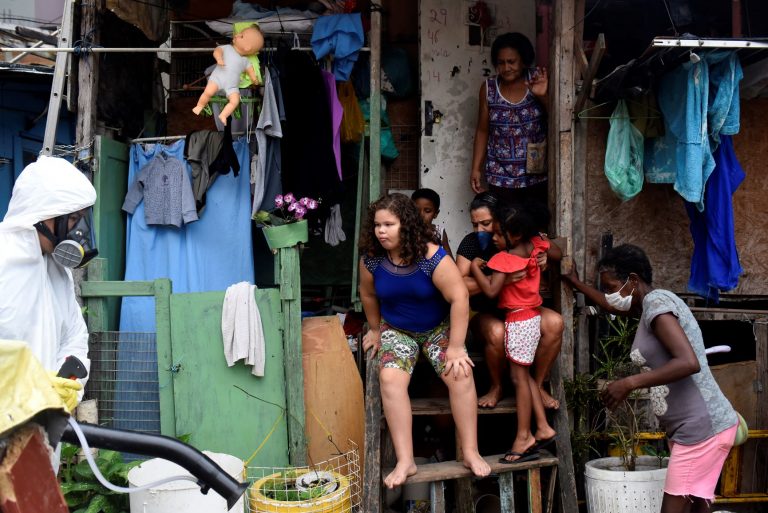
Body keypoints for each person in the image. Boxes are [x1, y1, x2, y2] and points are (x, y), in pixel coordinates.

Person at [562, 244, 739, 513]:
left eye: (612, 287)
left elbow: (688, 362)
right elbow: (612, 305)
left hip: (701, 430)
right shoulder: (646, 307)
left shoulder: (657, 303)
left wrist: (628, 383)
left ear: (633, 280)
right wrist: (575, 283)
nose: (610, 294)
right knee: (696, 509)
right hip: (696, 428)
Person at [358, 193, 491, 488]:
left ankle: (470, 452)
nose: (381, 231)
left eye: (389, 225)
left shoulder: (432, 257)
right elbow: (367, 294)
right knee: (390, 379)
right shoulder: (371, 260)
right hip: (397, 329)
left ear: (406, 225)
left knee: (461, 374)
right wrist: (375, 329)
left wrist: (455, 347)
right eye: (378, 225)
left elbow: (460, 297)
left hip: (437, 328)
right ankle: (406, 460)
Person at [0, 156, 98, 412]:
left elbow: (74, 337)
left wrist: (66, 384)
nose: (79, 232)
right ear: (42, 217)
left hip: (43, 420)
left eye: (82, 219)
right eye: (73, 219)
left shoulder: (57, 270)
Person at [455, 192, 563, 410]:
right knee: (497, 332)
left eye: (486, 223)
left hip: (522, 310)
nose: (480, 231)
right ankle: (497, 387)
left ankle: (538, 385)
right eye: (475, 224)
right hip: (485, 312)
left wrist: (546, 256)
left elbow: (557, 252)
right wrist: (499, 280)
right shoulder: (471, 243)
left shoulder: (518, 236)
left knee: (555, 323)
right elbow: (459, 284)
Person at [470, 205, 560, 462]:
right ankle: (542, 427)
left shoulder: (503, 259)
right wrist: (545, 252)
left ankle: (523, 436)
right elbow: (556, 250)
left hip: (518, 321)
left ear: (516, 234)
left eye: (499, 234)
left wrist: (476, 268)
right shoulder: (535, 247)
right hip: (532, 318)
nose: (494, 238)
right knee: (524, 375)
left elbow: (490, 291)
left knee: (519, 379)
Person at [469, 32, 548, 210]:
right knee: (505, 221)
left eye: (511, 61)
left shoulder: (537, 80)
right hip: (500, 173)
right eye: (501, 62)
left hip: (536, 172)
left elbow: (556, 118)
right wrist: (476, 168)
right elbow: (482, 130)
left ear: (524, 60)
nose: (506, 67)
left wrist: (543, 96)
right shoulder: (489, 88)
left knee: (534, 220)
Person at [192, 23, 264, 126]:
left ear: (247, 47)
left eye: (241, 36)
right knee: (208, 92)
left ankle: (224, 115)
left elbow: (251, 71)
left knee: (235, 101)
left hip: (232, 86)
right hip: (217, 79)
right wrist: (219, 58)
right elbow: (217, 51)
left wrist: (255, 80)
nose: (237, 35)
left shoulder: (245, 61)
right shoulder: (227, 48)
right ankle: (199, 106)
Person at [411, 187, 452, 257]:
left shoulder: (439, 232)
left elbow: (449, 259)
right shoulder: (406, 231)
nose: (421, 215)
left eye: (427, 211)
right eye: (416, 210)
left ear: (436, 214)